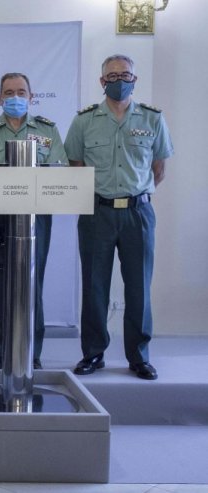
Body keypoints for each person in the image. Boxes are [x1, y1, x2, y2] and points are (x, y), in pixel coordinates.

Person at [65, 54, 173, 380]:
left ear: (134, 80)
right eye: (112, 76)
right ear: (102, 82)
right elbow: (75, 164)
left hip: (138, 214)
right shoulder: (84, 121)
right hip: (97, 213)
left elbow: (159, 169)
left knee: (139, 287)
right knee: (94, 286)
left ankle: (139, 356)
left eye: (125, 75)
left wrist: (135, 194)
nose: (119, 81)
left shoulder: (152, 119)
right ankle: (93, 353)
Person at [0, 72, 67, 370]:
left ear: (31, 97)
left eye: (21, 92)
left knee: (33, 283)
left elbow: (60, 171)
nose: (15, 98)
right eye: (8, 93)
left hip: (37, 216)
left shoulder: (47, 130)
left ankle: (32, 352)